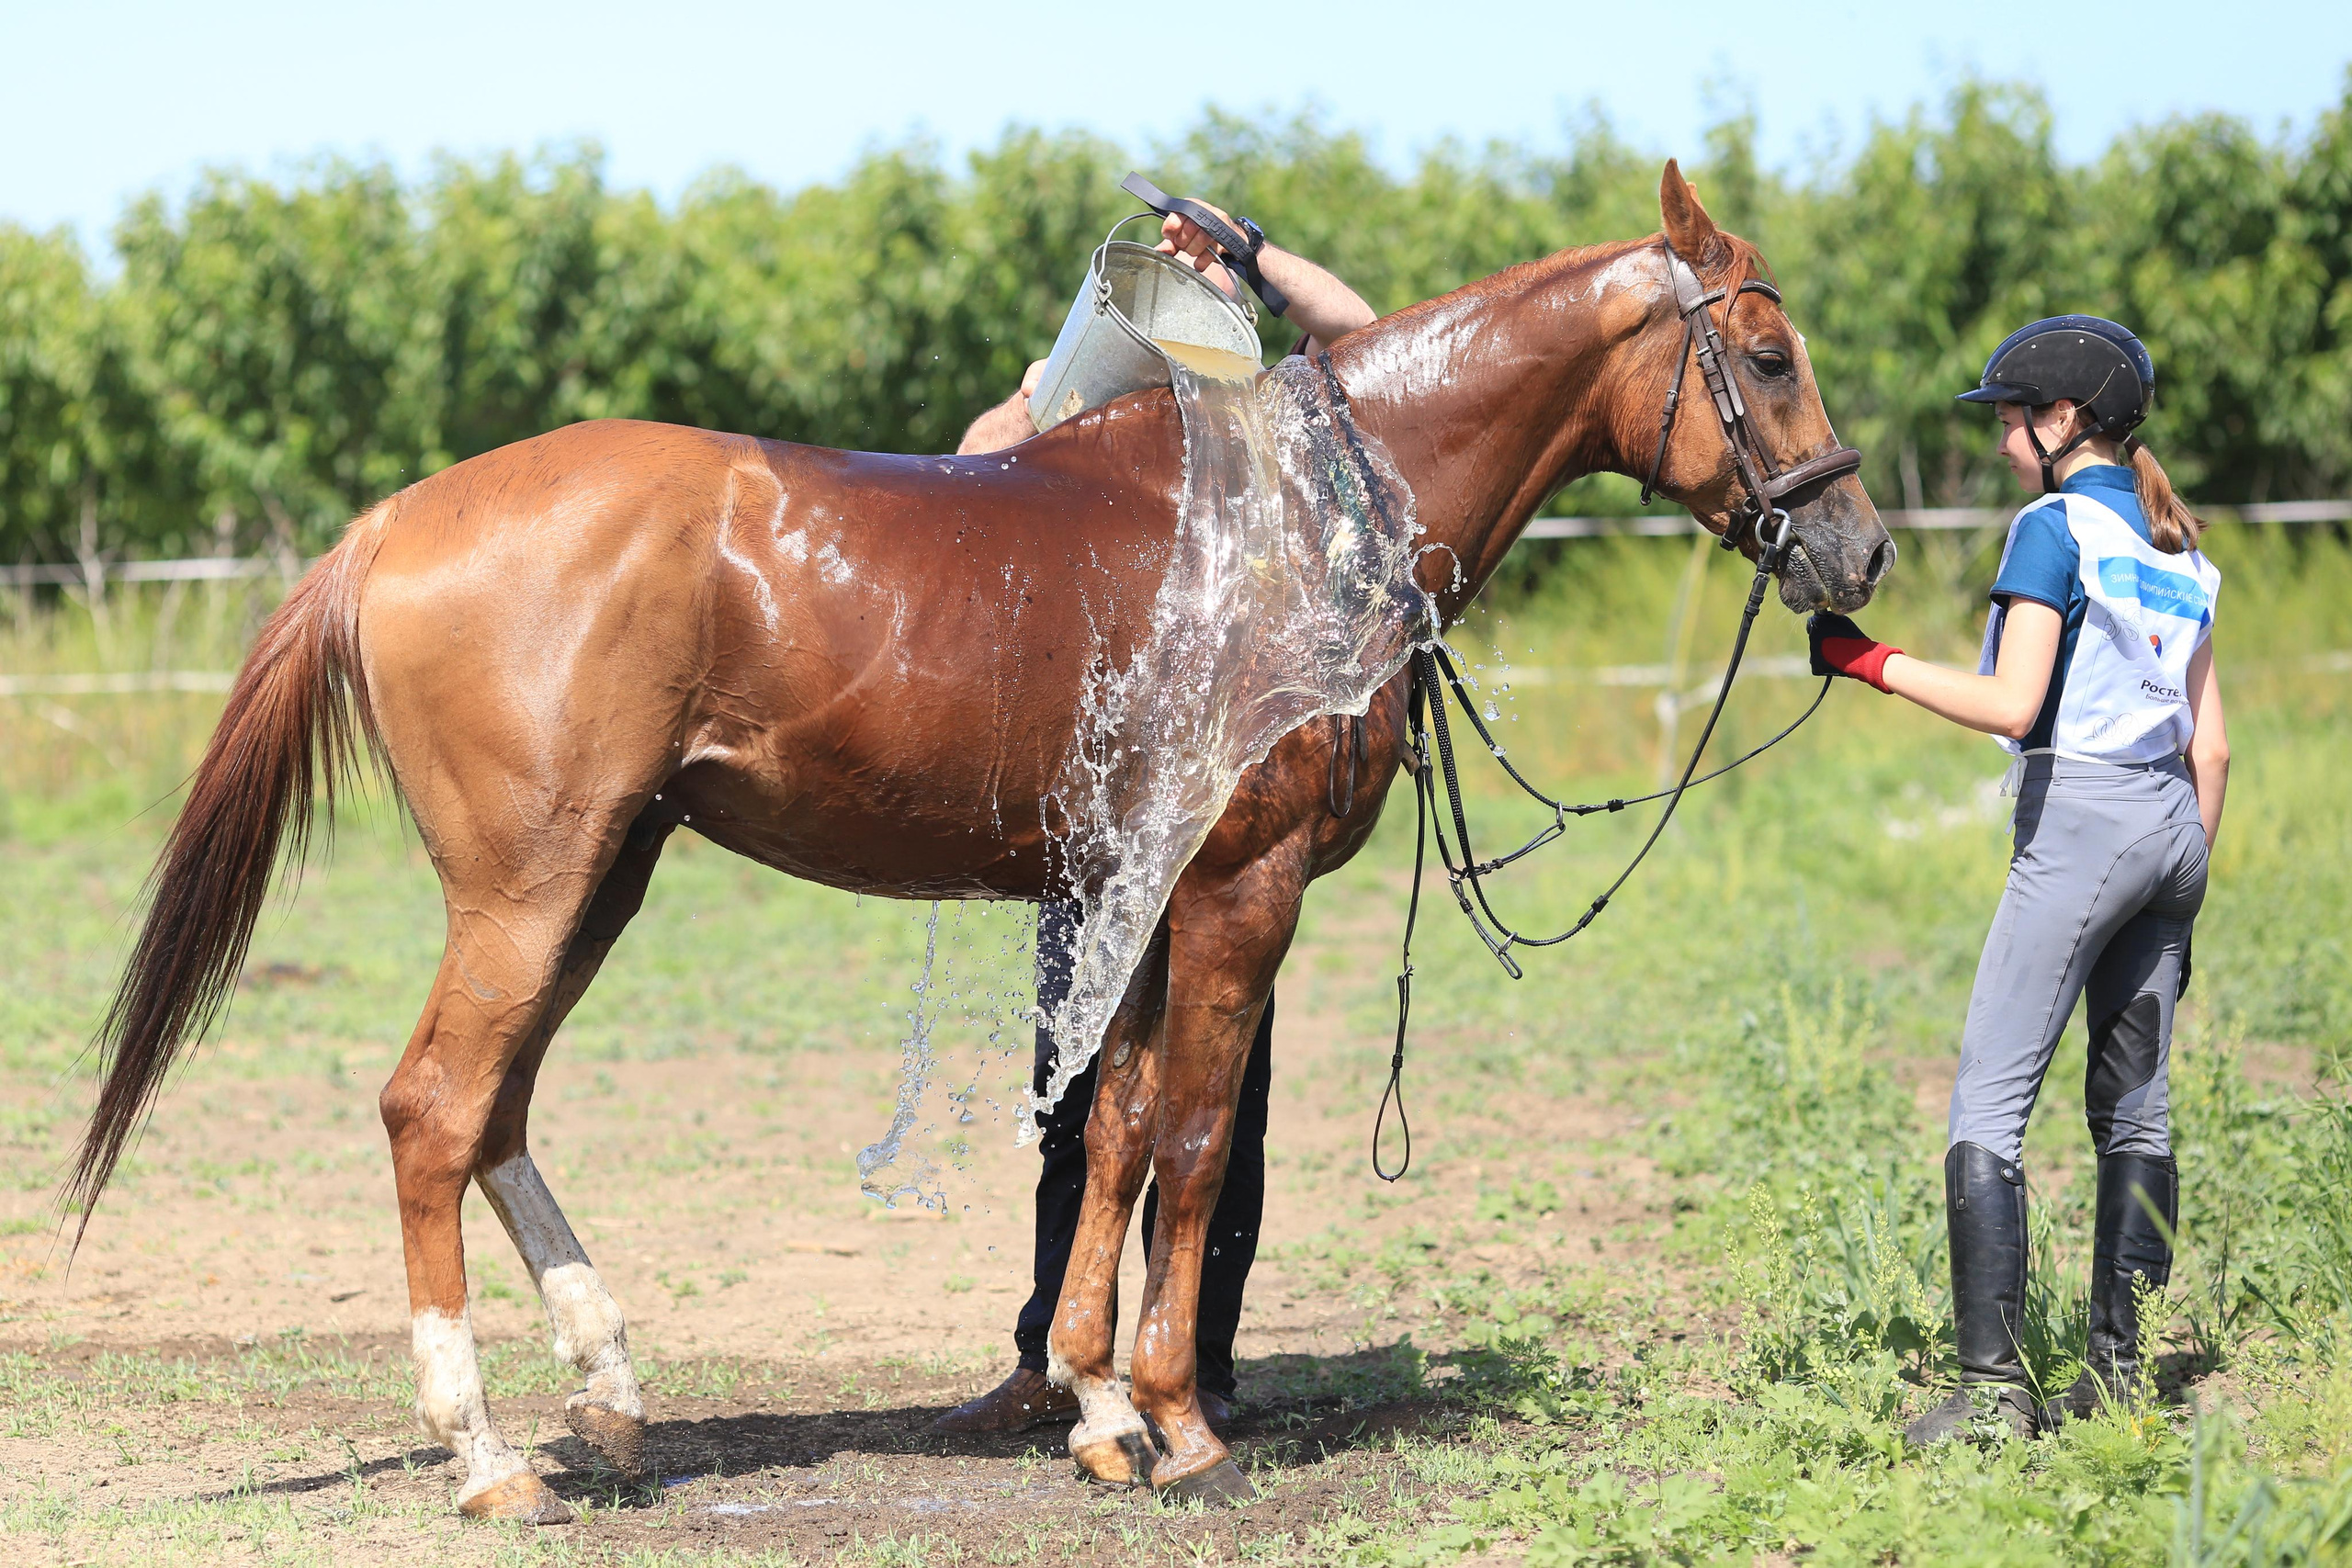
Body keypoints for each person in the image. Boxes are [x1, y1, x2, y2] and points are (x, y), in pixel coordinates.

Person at [933, 197, 1375, 1435]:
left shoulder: (1275, 414)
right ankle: (1052, 1354)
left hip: (1233, 826)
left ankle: (1202, 1359)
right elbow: (964, 475)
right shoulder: (1094, 421)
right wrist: (1039, 392)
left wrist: (1249, 248)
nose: (1187, 290)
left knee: (1215, 1101)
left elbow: (1365, 327)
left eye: (1202, 281)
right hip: (1101, 820)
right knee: (1072, 1087)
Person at [1807, 317, 2227, 1442]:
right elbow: (2212, 747)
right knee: (2135, 1110)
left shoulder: (2051, 529)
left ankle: (1993, 1397)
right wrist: (2179, 903)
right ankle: (2120, 1373)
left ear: (2063, 422)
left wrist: (1867, 660)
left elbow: (2011, 707)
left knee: (1988, 1099)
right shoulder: (2180, 549)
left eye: (2008, 417)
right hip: (2174, 829)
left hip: (2082, 821)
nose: (2000, 439)